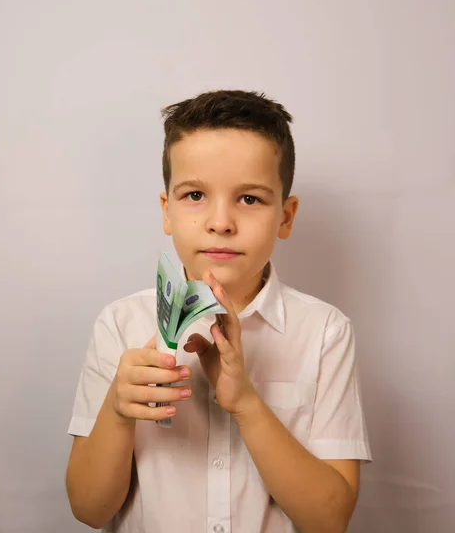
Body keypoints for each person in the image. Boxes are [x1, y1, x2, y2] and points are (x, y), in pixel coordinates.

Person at [66, 90, 372, 533]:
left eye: (249, 199)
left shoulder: (325, 332)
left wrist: (247, 403)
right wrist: (117, 411)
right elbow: (89, 510)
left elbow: (328, 521)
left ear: (286, 217)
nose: (221, 221)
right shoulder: (120, 325)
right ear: (166, 211)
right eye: (194, 195)